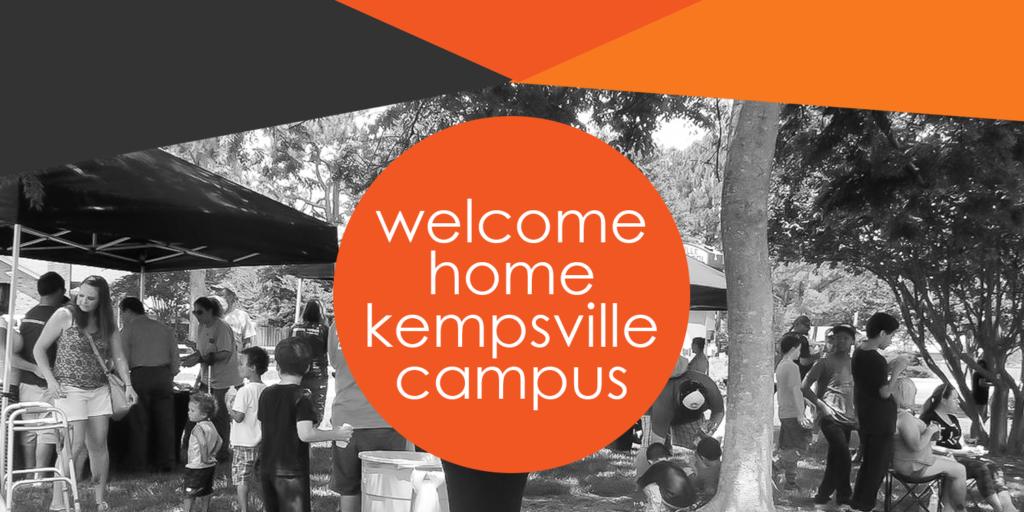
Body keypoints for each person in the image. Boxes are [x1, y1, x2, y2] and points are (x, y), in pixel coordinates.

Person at [33, 275, 138, 511]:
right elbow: (39, 349)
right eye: (80, 295)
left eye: (90, 298)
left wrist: (129, 385)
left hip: (99, 388)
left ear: (101, 300)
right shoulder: (64, 315)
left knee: (99, 444)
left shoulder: (107, 322)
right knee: (75, 444)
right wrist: (51, 380)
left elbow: (119, 356)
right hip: (69, 389)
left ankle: (100, 500)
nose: (83, 301)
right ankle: (57, 501)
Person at [260, 337, 353, 512]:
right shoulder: (302, 395)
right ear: (308, 367)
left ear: (277, 366)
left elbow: (263, 429)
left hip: (267, 468)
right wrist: (337, 434)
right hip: (291, 473)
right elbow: (306, 434)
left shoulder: (266, 393)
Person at [328, 320, 410, 512]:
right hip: (386, 422)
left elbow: (335, 362)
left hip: (346, 420)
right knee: (389, 490)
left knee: (349, 489)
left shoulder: (338, 325)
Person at [6, 272, 66, 492]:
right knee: (47, 431)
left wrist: (31, 368)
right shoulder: (58, 317)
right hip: (49, 381)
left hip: (25, 381)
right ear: (59, 290)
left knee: (28, 431)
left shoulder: (28, 316)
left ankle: (28, 475)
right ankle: (39, 477)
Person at [920, 383, 1018, 512]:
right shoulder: (928, 419)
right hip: (942, 461)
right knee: (980, 468)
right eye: (954, 398)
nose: (958, 402)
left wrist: (971, 450)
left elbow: (960, 443)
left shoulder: (953, 419)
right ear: (943, 400)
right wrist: (960, 452)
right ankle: (998, 508)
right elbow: (930, 447)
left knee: (994, 467)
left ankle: (1008, 507)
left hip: (959, 458)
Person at [848, 312, 906, 512]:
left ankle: (857, 504)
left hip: (866, 415)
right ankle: (865, 506)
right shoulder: (876, 359)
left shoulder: (859, 353)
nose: (891, 340)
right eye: (891, 335)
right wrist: (896, 371)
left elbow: (870, 379)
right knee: (877, 467)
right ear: (882, 333)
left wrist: (888, 368)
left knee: (868, 464)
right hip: (880, 419)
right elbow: (884, 392)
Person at [119, 296, 180, 472]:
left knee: (139, 421)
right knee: (166, 421)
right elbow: (175, 356)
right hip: (164, 375)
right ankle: (167, 462)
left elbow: (122, 359)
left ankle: (139, 464)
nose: (122, 317)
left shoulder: (128, 330)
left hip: (140, 375)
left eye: (122, 313)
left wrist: (124, 381)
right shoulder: (164, 328)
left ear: (128, 311)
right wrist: (171, 373)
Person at [891, 378, 968, 512]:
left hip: (911, 462)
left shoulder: (894, 415)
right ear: (906, 394)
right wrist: (930, 431)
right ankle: (960, 509)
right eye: (913, 393)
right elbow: (916, 446)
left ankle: (948, 508)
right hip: (914, 467)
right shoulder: (905, 418)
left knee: (951, 462)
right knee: (960, 469)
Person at [802, 323, 857, 509]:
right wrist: (822, 406)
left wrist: (857, 414)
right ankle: (843, 496)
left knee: (836, 459)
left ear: (852, 341)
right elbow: (804, 387)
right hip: (829, 418)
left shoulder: (854, 363)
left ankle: (825, 497)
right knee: (844, 457)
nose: (841, 341)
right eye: (838, 338)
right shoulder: (824, 363)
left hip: (847, 418)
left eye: (846, 338)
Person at [182, 296, 240, 462]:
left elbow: (225, 353)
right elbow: (202, 351)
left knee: (219, 416)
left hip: (225, 380)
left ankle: (221, 453)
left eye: (199, 312)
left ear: (210, 311)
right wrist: (192, 356)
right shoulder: (201, 327)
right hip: (207, 378)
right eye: (194, 312)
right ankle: (188, 447)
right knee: (196, 410)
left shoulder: (222, 327)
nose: (196, 315)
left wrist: (200, 359)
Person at [650, 358, 725, 456]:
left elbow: (718, 411)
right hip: (656, 410)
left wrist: (706, 431)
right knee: (654, 449)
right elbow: (656, 443)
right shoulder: (663, 402)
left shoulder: (709, 386)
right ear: (678, 398)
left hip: (691, 418)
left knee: (698, 448)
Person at [228, 346, 269, 512]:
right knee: (262, 478)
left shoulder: (244, 391)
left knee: (241, 478)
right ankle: (268, 506)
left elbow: (238, 417)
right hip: (262, 442)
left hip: (243, 443)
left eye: (241, 363)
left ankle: (244, 509)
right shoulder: (266, 389)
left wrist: (228, 405)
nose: (238, 366)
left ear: (252, 368)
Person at [776, 333, 812, 491]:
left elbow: (788, 390)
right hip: (792, 413)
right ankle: (774, 467)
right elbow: (795, 390)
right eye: (798, 349)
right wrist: (801, 413)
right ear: (792, 349)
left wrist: (805, 401)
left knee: (790, 447)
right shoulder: (792, 367)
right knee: (800, 447)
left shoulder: (781, 365)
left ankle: (790, 482)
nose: (800, 353)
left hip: (784, 412)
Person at [290, 299, 330, 424]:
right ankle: (312, 430)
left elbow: (288, 348)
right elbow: (328, 349)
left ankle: (298, 431)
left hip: (297, 373)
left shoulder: (295, 328)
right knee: (317, 409)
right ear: (321, 312)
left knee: (296, 407)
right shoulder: (324, 330)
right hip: (318, 375)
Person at [182, 392, 222, 512]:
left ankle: (187, 510)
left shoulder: (198, 428)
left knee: (189, 492)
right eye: (189, 410)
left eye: (192, 410)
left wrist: (204, 458)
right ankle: (205, 509)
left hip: (196, 466)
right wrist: (213, 454)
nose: (189, 412)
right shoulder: (211, 425)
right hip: (209, 466)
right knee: (206, 489)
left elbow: (203, 444)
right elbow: (220, 441)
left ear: (204, 414)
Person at [636, 442, 697, 511]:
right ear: (667, 458)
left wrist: (637, 495)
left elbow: (641, 482)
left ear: (650, 462)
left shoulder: (655, 467)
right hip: (690, 501)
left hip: (674, 502)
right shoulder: (675, 466)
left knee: (650, 486)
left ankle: (654, 509)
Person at [212, 283, 256, 350]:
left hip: (235, 355)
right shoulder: (210, 316)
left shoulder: (242, 316)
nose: (217, 298)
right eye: (216, 294)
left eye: (221, 295)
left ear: (231, 297)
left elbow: (247, 342)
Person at [789, 315, 817, 380]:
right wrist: (817, 356)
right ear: (797, 324)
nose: (809, 328)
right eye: (806, 325)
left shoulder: (784, 337)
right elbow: (804, 362)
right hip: (797, 377)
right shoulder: (801, 339)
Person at [972, 359, 991, 424]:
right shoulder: (981, 374)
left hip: (976, 396)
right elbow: (981, 384)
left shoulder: (975, 374)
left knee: (978, 415)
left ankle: (978, 426)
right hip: (981, 396)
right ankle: (979, 427)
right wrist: (993, 384)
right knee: (980, 415)